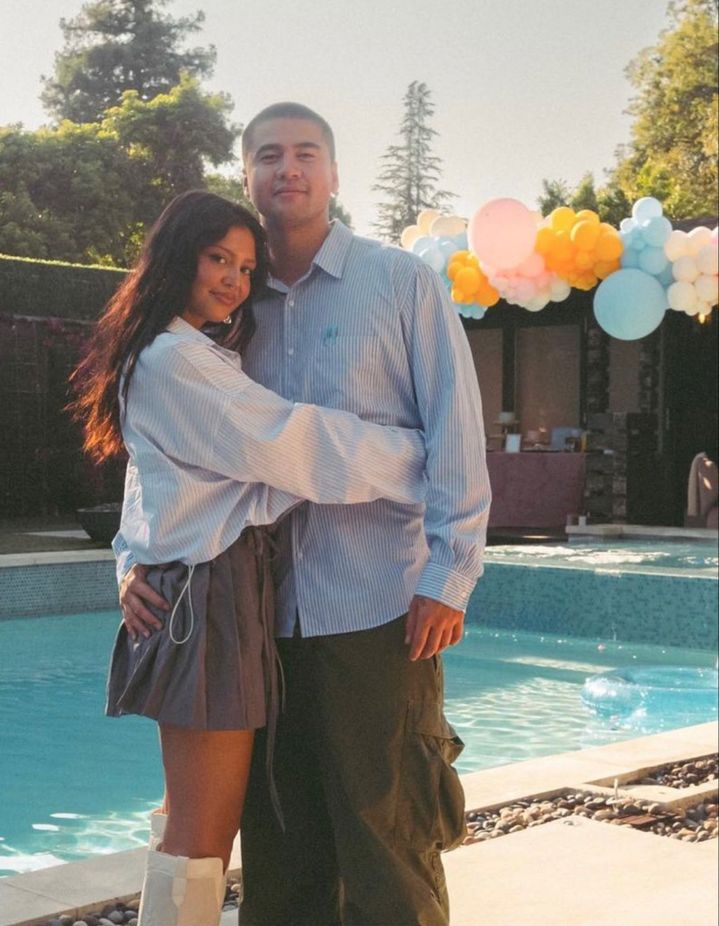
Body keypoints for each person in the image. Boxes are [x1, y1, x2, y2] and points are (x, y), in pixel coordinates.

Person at [120, 104, 491, 926]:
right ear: (246, 174)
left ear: (332, 172)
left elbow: (456, 432)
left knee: (387, 837)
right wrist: (130, 560)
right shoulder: (222, 313)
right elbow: (167, 460)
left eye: (306, 153)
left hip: (378, 610)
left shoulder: (400, 283)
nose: (287, 168)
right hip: (258, 620)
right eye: (268, 156)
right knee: (281, 851)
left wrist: (449, 573)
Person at [72, 189, 434, 926]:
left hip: (205, 592)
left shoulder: (179, 351)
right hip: (206, 599)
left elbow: (157, 482)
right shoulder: (179, 361)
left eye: (244, 266)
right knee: (201, 834)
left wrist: (129, 560)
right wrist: (416, 452)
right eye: (217, 259)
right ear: (177, 257)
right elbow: (288, 441)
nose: (234, 280)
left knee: (188, 817)